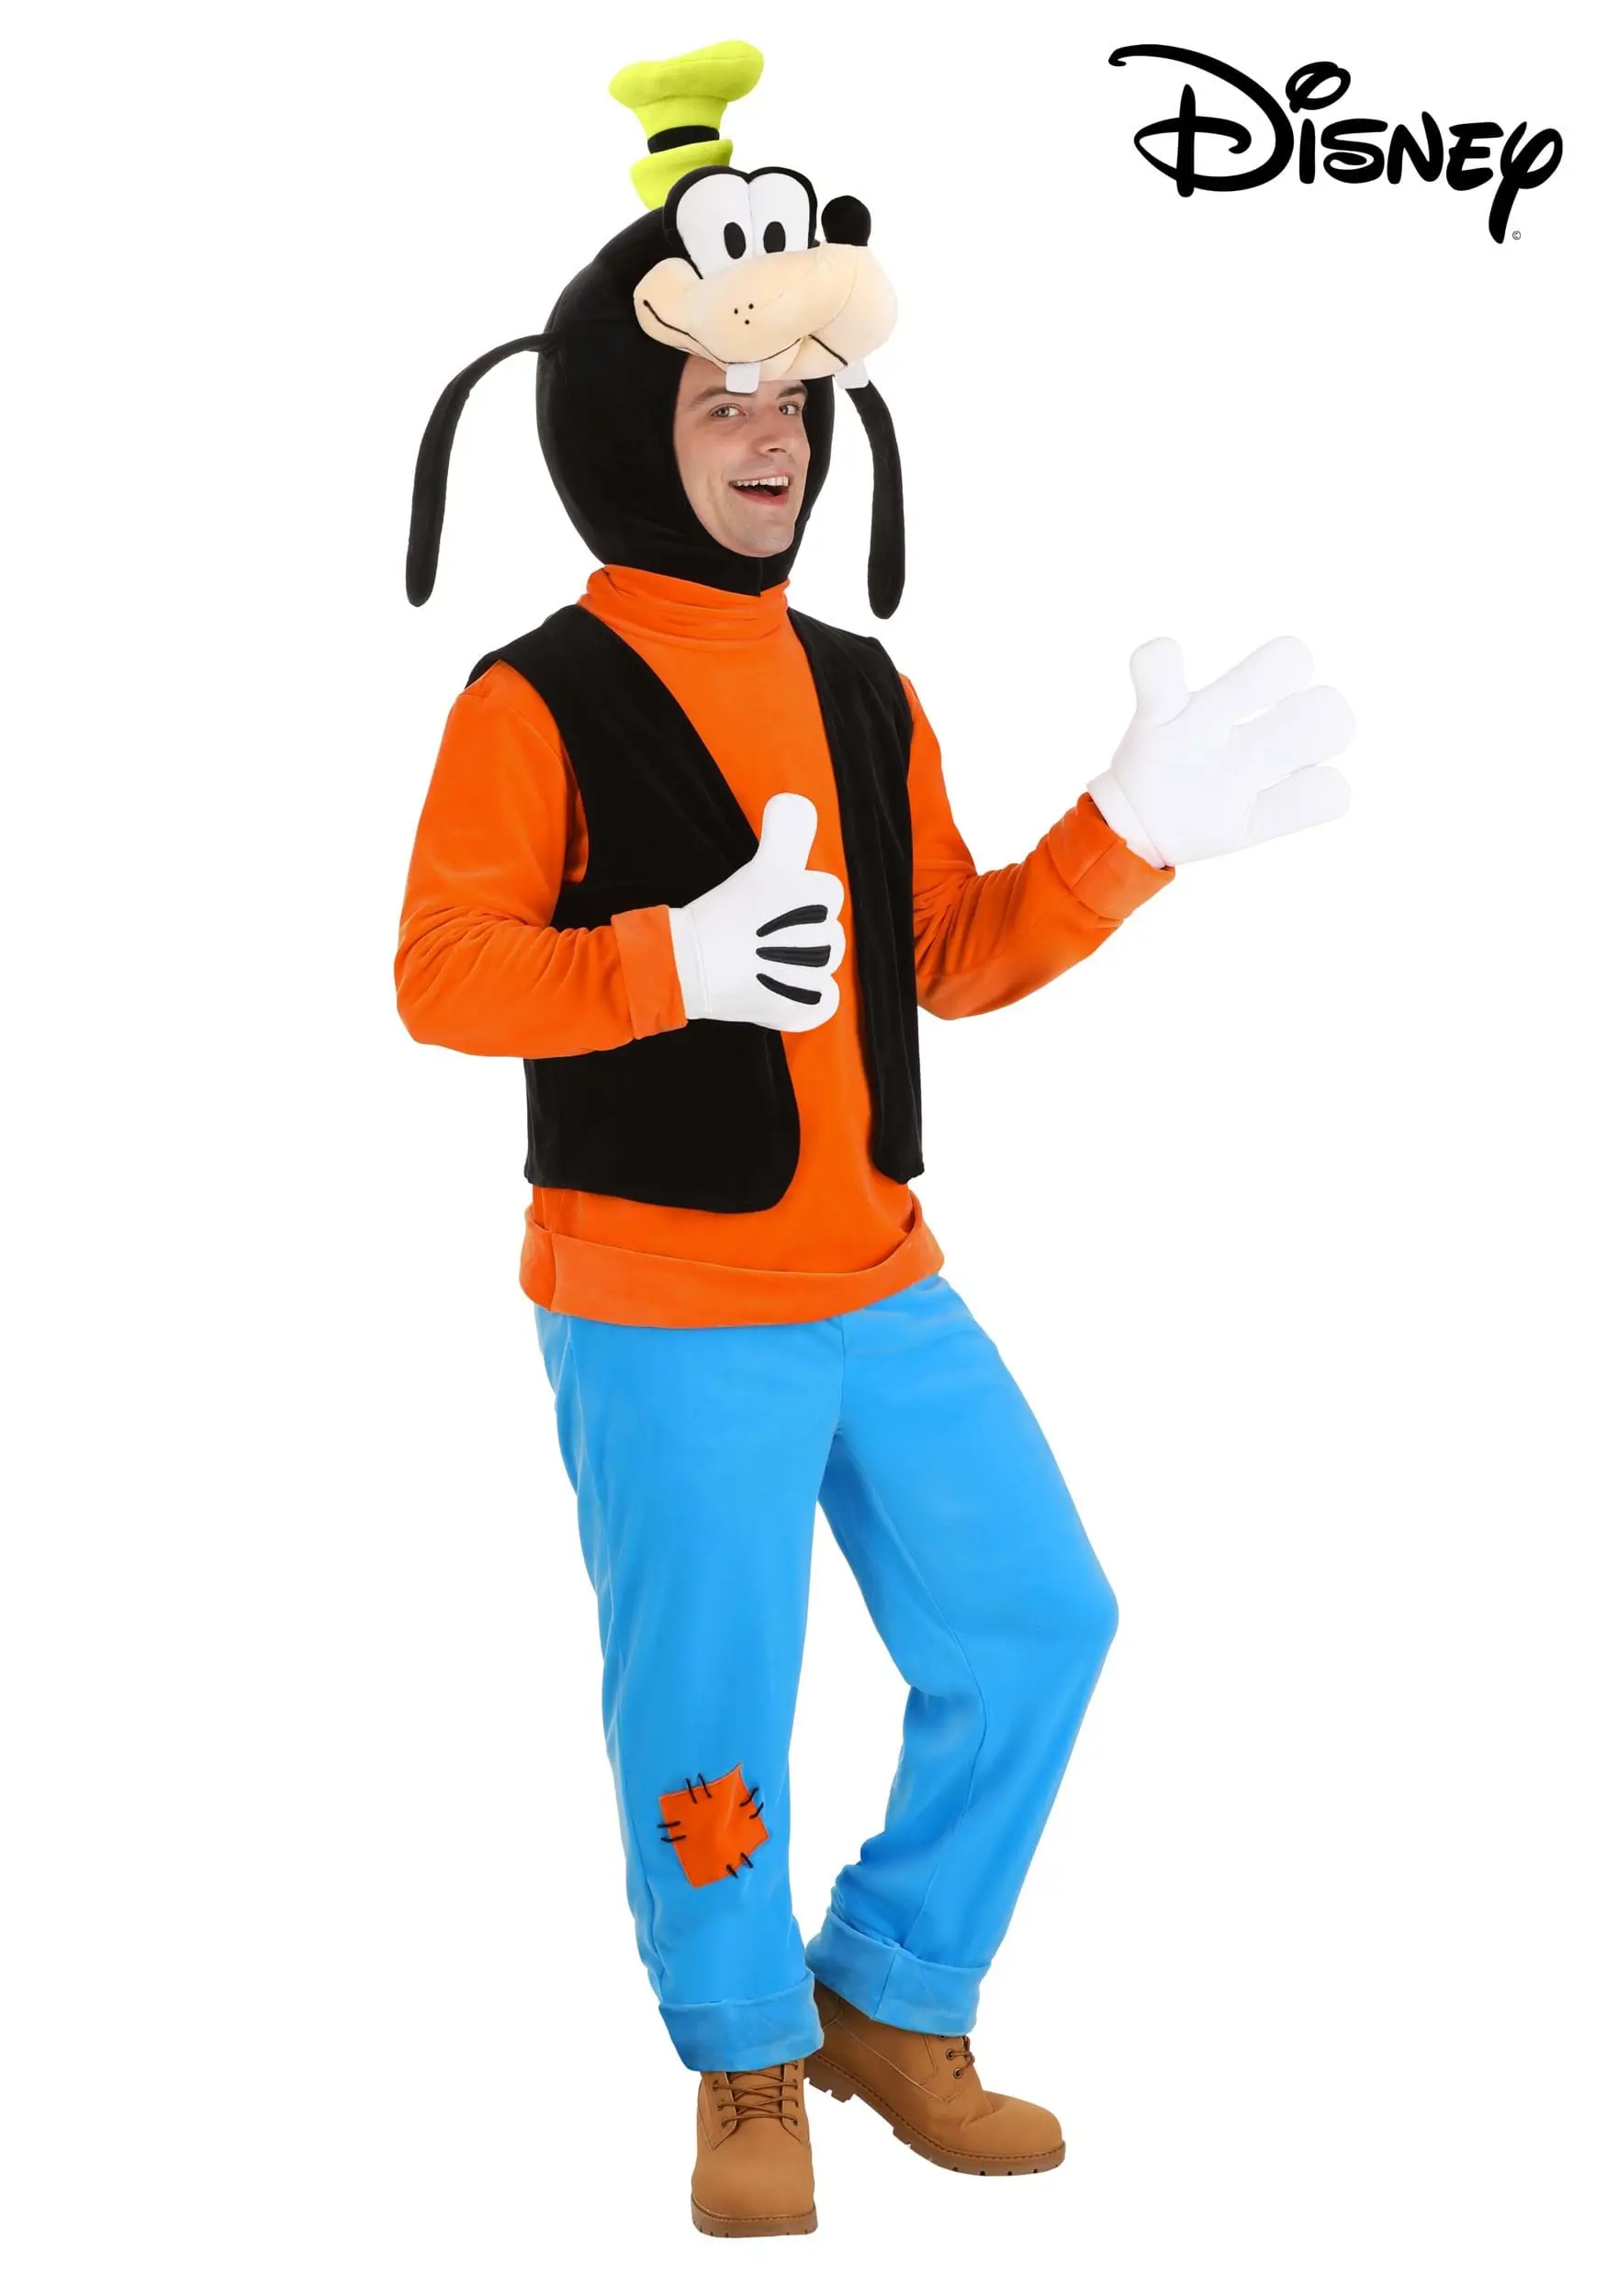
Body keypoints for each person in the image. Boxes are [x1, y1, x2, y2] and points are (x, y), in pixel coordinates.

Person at [395, 41, 1354, 2240]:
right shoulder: (531, 697)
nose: (773, 436)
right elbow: (437, 974)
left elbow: (951, 955)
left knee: (1039, 1615)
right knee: (711, 1703)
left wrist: (1128, 836)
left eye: (796, 401)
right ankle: (739, 2050)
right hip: (659, 1305)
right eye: (720, 401)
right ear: (615, 424)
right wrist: (667, 960)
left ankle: (887, 1991)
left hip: (881, 1276)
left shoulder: (857, 682)